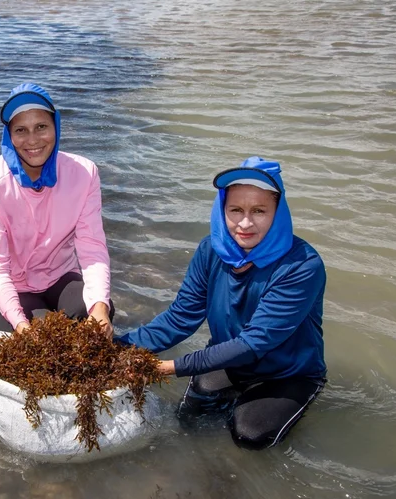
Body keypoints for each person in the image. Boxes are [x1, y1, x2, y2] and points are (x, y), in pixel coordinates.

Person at [116, 157, 327, 450]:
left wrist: (168, 367)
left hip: (285, 373)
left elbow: (254, 343)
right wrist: (117, 347)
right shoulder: (210, 251)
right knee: (189, 421)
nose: (245, 223)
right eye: (236, 210)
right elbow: (180, 318)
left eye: (259, 211)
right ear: (222, 210)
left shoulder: (303, 265)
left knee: (249, 437)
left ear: (278, 212)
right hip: (228, 361)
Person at [0, 83, 114, 336]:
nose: (33, 140)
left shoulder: (84, 173)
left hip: (59, 276)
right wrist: (20, 324)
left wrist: (99, 308)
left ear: (56, 126)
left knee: (97, 315)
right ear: (9, 135)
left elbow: (93, 249)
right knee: (35, 335)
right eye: (21, 130)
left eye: (42, 127)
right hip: (8, 285)